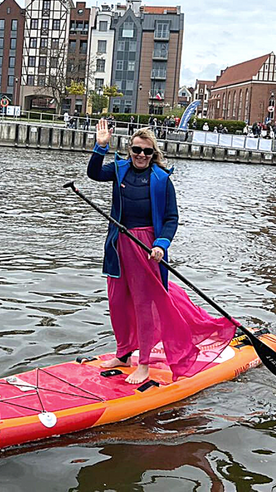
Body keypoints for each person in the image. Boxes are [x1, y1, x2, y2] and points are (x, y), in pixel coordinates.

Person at [87, 119, 236, 384]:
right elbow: (94, 174)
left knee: (144, 306)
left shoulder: (161, 179)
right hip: (117, 245)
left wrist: (161, 245)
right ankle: (124, 354)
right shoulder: (119, 169)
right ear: (130, 150)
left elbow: (171, 219)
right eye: (136, 150)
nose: (140, 156)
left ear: (153, 154)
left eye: (146, 151)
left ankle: (143, 363)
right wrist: (100, 147)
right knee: (117, 302)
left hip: (147, 248)